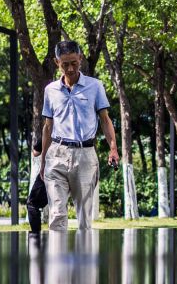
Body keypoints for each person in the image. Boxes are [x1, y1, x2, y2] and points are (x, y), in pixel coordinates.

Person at [37, 40, 119, 234]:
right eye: (65, 64)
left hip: (85, 154)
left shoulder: (95, 86)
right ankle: (57, 262)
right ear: (57, 62)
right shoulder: (50, 90)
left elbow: (105, 120)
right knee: (57, 214)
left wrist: (113, 148)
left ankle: (85, 260)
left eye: (74, 62)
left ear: (80, 58)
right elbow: (48, 128)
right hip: (57, 154)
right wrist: (42, 160)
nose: (70, 68)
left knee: (84, 217)